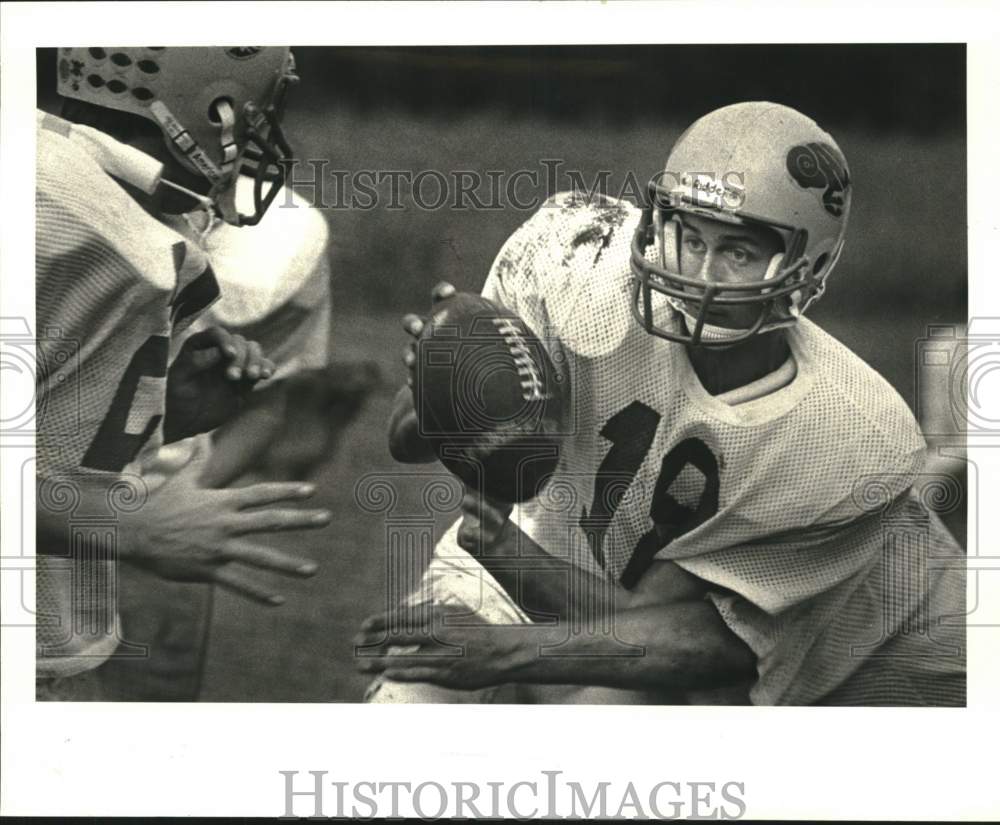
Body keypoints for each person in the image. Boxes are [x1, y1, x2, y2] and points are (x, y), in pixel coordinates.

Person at [357, 102, 966, 706]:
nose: (699, 274)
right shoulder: (577, 259)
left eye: (739, 252)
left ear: (809, 265)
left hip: (877, 678)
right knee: (404, 714)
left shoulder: (848, 437)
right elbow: (405, 438)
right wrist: (444, 389)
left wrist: (508, 627)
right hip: (563, 566)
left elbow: (708, 653)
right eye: (689, 236)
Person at [35, 47, 333, 698]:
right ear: (212, 105)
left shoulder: (131, 204)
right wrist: (133, 526)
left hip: (55, 641)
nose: (258, 132)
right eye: (257, 109)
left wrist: (162, 412)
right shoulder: (38, 199)